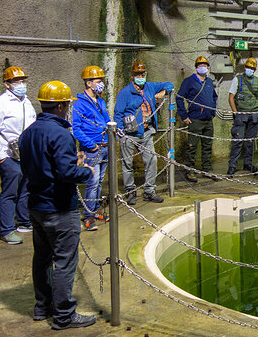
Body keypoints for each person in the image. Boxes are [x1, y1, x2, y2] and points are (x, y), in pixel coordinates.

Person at [18, 81, 95, 329]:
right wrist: (86, 171)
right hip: (60, 208)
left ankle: (42, 307)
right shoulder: (61, 134)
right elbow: (66, 173)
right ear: (62, 106)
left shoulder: (28, 132)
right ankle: (64, 316)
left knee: (41, 258)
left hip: (36, 206)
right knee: (64, 262)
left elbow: (34, 167)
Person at [0, 66, 37, 244]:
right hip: (8, 155)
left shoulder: (26, 102)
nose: (21, 84)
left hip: (25, 154)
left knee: (25, 190)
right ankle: (7, 230)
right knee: (10, 193)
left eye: (23, 80)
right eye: (16, 81)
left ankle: (24, 222)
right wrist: (2, 157)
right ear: (7, 84)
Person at [114, 62, 173, 205]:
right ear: (132, 76)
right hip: (129, 134)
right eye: (138, 75)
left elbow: (170, 84)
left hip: (146, 132)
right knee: (127, 164)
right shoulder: (125, 93)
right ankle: (130, 191)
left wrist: (163, 92)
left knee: (151, 161)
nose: (140, 77)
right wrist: (121, 134)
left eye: (142, 74)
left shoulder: (150, 87)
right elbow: (118, 114)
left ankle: (149, 191)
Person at [72, 65, 111, 231]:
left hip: (105, 146)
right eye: (98, 81)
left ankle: (94, 211)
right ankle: (88, 217)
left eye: (101, 80)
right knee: (92, 182)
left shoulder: (100, 101)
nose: (101, 83)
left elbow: (108, 122)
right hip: (92, 149)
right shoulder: (79, 104)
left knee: (100, 181)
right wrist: (90, 145)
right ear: (88, 83)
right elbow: (76, 129)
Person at [177, 56, 218, 182]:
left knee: (207, 146)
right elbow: (179, 97)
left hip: (208, 120)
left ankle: (207, 170)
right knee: (192, 146)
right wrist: (184, 115)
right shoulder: (189, 81)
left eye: (205, 65)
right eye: (200, 65)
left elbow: (214, 97)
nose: (203, 68)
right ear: (196, 67)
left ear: (208, 68)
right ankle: (189, 171)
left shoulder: (209, 82)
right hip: (195, 119)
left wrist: (213, 112)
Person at [228, 57, 258, 175]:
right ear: (245, 68)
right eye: (248, 67)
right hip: (241, 114)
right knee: (237, 141)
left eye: (252, 68)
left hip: (253, 114)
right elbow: (231, 97)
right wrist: (235, 112)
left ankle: (248, 164)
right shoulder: (237, 79)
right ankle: (232, 166)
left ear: (255, 69)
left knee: (250, 142)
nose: (250, 70)